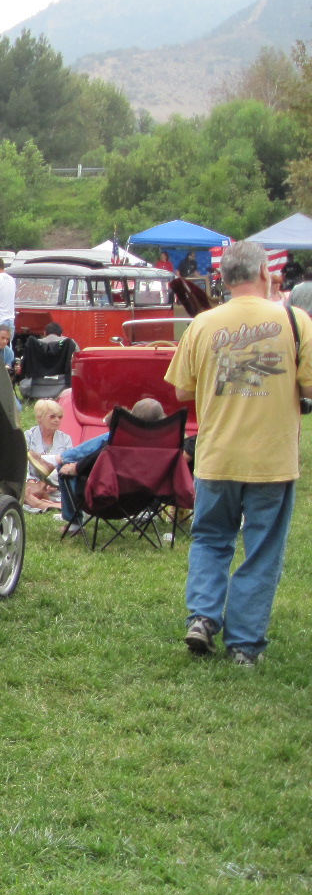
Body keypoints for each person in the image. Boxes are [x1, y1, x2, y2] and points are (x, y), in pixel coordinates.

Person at [166, 240, 312, 667]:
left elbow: (180, 390)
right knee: (263, 548)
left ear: (225, 279)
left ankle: (203, 617)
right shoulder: (296, 320)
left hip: (217, 454)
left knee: (211, 539)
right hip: (272, 457)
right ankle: (245, 644)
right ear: (265, 273)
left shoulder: (203, 324)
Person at [55, 397, 167, 528]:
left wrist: (77, 468)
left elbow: (96, 459)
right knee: (109, 439)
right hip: (144, 501)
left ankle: (74, 524)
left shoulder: (120, 444)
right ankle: (64, 457)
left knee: (65, 469)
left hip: (105, 500)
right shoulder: (167, 445)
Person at [23, 398, 72, 512]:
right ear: (39, 418)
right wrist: (31, 481)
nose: (57, 420)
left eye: (60, 417)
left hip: (57, 487)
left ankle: (42, 504)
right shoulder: (28, 436)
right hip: (32, 485)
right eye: (52, 416)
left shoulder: (65, 439)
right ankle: (43, 503)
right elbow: (21, 465)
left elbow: (68, 465)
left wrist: (54, 483)